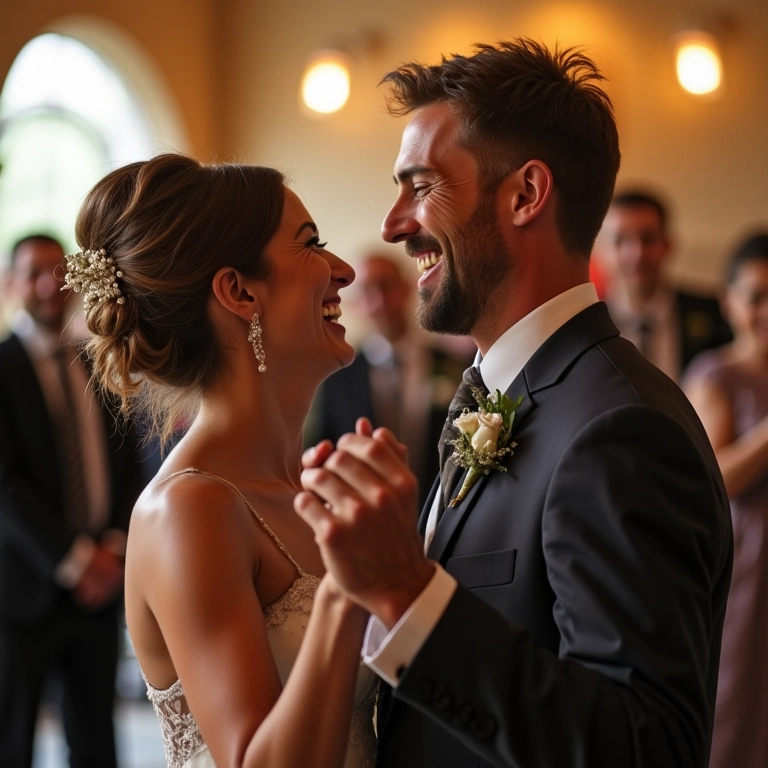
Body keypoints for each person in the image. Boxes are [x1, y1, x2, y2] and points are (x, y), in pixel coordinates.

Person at [295, 39, 732, 768]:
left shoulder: (619, 429)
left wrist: (408, 593)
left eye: (421, 186)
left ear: (525, 195)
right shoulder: (500, 392)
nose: (396, 223)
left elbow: (645, 745)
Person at [66, 153, 376, 768]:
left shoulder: (311, 487)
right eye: (312, 245)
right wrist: (350, 587)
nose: (343, 271)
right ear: (238, 291)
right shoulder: (191, 507)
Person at [0, 234, 145, 768]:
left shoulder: (97, 363)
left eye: (57, 271)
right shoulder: (3, 367)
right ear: (12, 282)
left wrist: (112, 549)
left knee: (96, 744)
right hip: (24, 591)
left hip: (100, 590)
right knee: (11, 744)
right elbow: (5, 486)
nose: (47, 283)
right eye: (33, 271)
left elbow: (131, 465)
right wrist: (78, 560)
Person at [683, 232, 768, 768]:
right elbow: (711, 481)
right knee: (738, 712)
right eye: (757, 295)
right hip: (747, 577)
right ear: (731, 302)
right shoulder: (716, 376)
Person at [307, 253, 473, 507]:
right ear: (355, 304)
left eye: (385, 286)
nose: (378, 301)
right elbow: (323, 445)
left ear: (406, 288)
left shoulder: (454, 367)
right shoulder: (336, 376)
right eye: (366, 292)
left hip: (446, 510)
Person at [596, 190, 732, 380]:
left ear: (668, 245)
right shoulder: (586, 326)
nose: (636, 254)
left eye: (648, 239)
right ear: (601, 251)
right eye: (620, 240)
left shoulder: (718, 314)